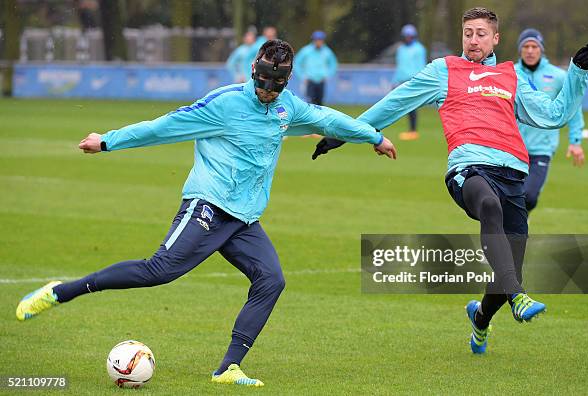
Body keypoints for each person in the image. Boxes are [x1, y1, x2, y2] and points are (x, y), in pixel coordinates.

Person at [15, 39, 397, 387]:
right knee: (158, 271)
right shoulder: (223, 103)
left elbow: (328, 119)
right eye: (262, 81)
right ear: (253, 71)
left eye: (275, 84)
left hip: (244, 219)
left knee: (271, 280)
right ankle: (60, 292)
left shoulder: (286, 107)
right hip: (208, 205)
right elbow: (162, 128)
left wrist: (374, 137)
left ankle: (227, 368)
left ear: (286, 80)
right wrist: (108, 141)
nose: (267, 90)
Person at [312, 8, 588, 354]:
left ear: (495, 39)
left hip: (511, 173)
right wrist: (346, 133)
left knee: (508, 268)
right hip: (468, 169)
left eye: (480, 34)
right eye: (467, 34)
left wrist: (577, 73)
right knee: (489, 208)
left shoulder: (510, 76)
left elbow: (553, 116)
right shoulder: (444, 70)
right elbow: (395, 102)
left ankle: (480, 319)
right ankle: (518, 296)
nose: (473, 40)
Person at [515, 28, 586, 213]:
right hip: (513, 148)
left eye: (534, 46)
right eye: (526, 46)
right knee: (510, 196)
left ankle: (522, 219)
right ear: (520, 50)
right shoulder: (510, 73)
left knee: (528, 196)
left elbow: (573, 107)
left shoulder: (558, 76)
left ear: (541, 49)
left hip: (542, 149)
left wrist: (575, 141)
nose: (530, 50)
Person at [393, 24, 427, 140]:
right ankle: (411, 130)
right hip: (401, 80)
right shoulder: (400, 49)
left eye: (410, 36)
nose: (408, 38)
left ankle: (413, 131)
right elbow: (399, 66)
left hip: (413, 81)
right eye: (406, 36)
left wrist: (420, 81)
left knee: (411, 106)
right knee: (403, 106)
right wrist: (394, 80)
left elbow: (421, 66)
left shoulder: (419, 49)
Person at [294, 30, 338, 106]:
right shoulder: (306, 51)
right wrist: (302, 76)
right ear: (313, 40)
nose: (318, 42)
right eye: (317, 40)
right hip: (310, 80)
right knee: (310, 102)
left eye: (320, 40)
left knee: (320, 103)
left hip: (321, 80)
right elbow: (297, 63)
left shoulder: (327, 51)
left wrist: (328, 75)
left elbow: (333, 64)